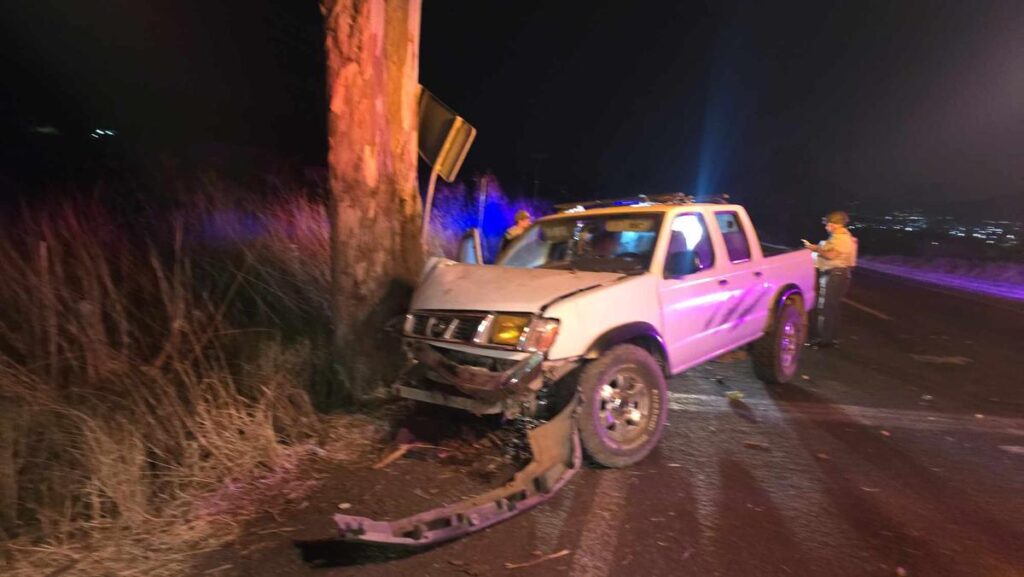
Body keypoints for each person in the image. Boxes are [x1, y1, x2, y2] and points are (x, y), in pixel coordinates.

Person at [802, 210, 858, 348]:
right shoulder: (837, 237)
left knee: (828, 308)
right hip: (836, 274)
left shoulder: (842, 239)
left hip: (837, 275)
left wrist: (814, 248)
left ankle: (827, 340)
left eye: (828, 224)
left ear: (836, 225)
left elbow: (831, 255)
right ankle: (831, 339)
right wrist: (815, 249)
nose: (826, 227)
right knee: (831, 307)